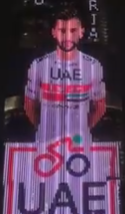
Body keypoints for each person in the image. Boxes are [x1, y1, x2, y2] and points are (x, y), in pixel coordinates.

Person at [24, 8, 106, 143]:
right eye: (62, 31)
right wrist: (43, 128)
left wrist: (84, 128)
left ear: (81, 32)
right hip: (46, 140)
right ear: (53, 32)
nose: (68, 37)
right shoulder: (38, 65)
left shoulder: (92, 65)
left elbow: (100, 106)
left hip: (79, 140)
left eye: (73, 31)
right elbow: (29, 104)